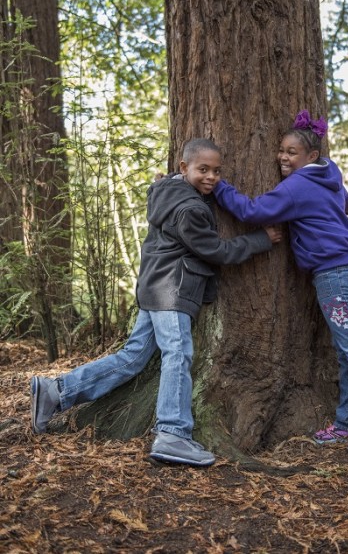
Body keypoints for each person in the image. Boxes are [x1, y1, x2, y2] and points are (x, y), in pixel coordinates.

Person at [31, 138, 281, 467]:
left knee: (134, 357)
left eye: (217, 171)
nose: (211, 177)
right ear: (183, 168)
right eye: (203, 170)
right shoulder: (189, 209)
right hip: (172, 291)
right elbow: (218, 251)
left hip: (154, 289)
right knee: (178, 354)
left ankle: (58, 391)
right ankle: (173, 433)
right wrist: (261, 239)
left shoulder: (168, 191)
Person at [213, 111, 348, 457]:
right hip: (346, 267)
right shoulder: (329, 172)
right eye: (281, 150)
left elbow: (254, 212)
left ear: (311, 155)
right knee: (346, 351)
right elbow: (347, 203)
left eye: (292, 152)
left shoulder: (297, 186)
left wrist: (220, 187)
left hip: (336, 273)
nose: (283, 158)